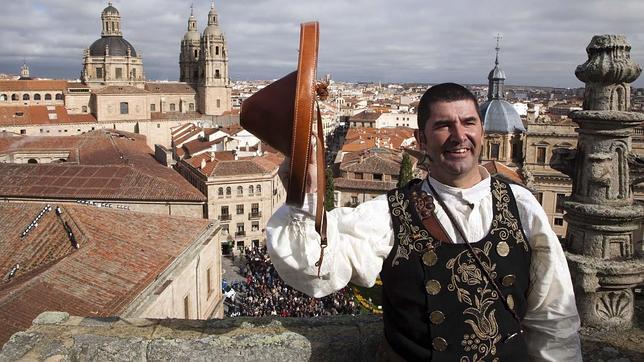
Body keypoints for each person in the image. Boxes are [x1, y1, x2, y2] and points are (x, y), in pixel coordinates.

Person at [267, 83, 581, 361]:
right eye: (444, 125)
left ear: (481, 133)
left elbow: (554, 315)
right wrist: (305, 195)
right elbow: (318, 268)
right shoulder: (389, 213)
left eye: (468, 122)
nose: (459, 135)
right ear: (420, 139)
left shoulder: (521, 205)